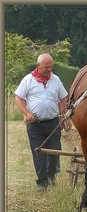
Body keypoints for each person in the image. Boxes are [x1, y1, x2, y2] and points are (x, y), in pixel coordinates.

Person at [14, 53, 72, 191]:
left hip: (53, 123)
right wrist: (27, 114)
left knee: (54, 152)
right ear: (39, 66)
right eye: (47, 67)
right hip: (35, 125)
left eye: (51, 67)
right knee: (39, 154)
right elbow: (18, 99)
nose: (49, 70)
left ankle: (51, 178)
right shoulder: (28, 80)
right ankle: (42, 182)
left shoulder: (56, 80)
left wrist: (66, 117)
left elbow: (63, 99)